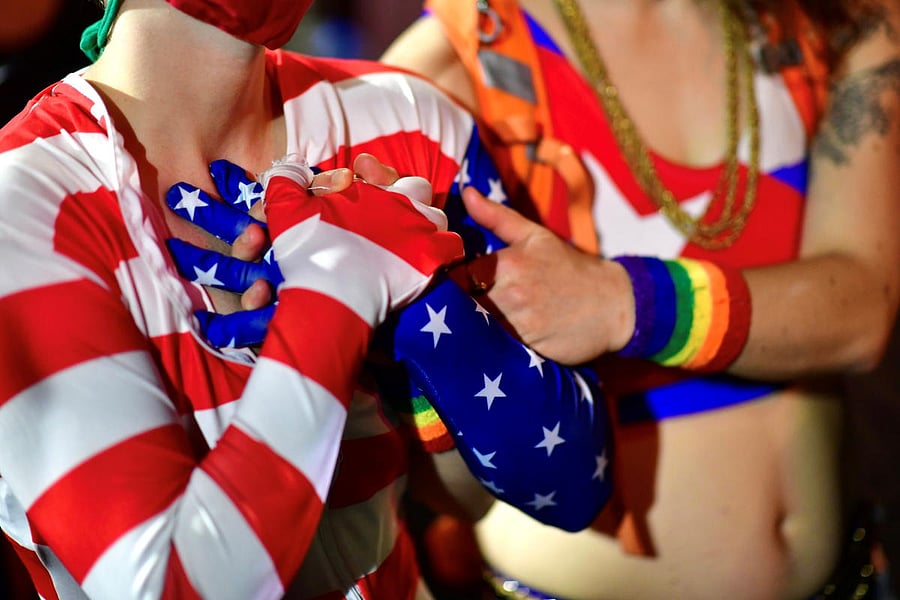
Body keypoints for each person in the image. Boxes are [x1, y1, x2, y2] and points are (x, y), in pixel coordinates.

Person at [0, 0, 616, 598]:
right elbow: (170, 585)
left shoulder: (407, 116)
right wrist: (338, 297)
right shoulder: (26, 201)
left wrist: (419, 320)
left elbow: (552, 488)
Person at [377, 0, 900, 598]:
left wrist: (623, 303)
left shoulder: (836, 20)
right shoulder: (441, 72)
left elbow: (862, 314)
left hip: (848, 576)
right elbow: (445, 491)